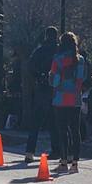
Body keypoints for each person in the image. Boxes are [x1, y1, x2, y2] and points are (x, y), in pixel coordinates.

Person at [49, 31, 85, 174]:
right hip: (75, 99)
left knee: (62, 131)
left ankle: (63, 162)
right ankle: (75, 163)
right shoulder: (80, 60)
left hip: (60, 99)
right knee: (75, 131)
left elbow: (54, 81)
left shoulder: (58, 59)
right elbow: (82, 79)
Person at [24, 26, 60, 163]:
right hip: (56, 88)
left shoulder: (40, 50)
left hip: (42, 87)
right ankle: (56, 150)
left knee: (36, 121)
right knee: (54, 121)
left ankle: (29, 151)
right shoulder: (59, 51)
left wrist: (38, 77)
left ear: (46, 36)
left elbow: (30, 66)